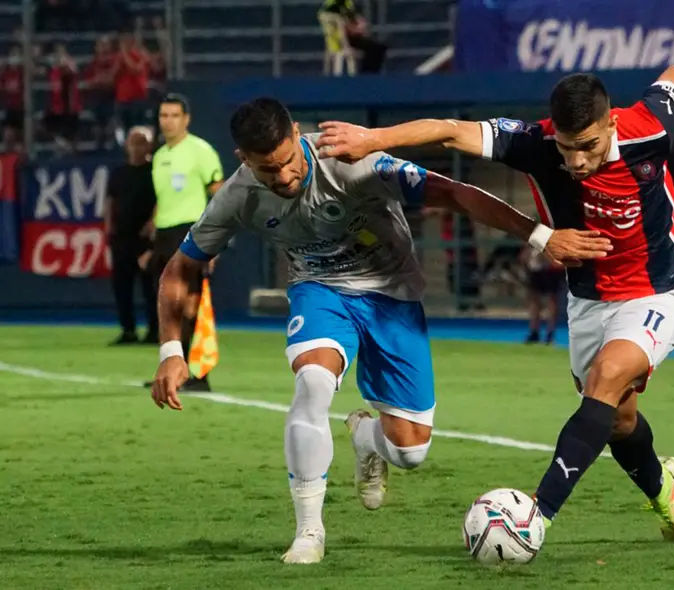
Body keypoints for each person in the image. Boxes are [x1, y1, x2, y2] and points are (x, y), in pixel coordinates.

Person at [149, 97, 612, 564]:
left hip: (392, 294)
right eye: (269, 171)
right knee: (312, 383)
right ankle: (309, 532)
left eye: (289, 161)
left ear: (296, 135)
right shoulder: (237, 194)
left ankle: (365, 438)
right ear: (244, 160)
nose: (285, 177)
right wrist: (171, 349)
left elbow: (452, 192)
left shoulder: (354, 163)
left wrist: (541, 236)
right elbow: (179, 268)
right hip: (319, 290)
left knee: (411, 451)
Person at [314, 64, 674, 544]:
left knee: (606, 379)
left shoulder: (646, 126)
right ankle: (661, 488)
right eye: (568, 148)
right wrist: (373, 138)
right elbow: (448, 132)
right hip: (588, 301)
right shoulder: (534, 143)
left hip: (658, 290)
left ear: (611, 124)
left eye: (588, 146)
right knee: (618, 418)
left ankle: (535, 517)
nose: (578, 161)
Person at [150, 93, 224, 392]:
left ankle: (198, 374)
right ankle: (173, 369)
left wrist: (214, 241)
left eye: (173, 115)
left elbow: (219, 194)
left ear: (186, 119)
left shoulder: (200, 151)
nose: (168, 121)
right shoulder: (159, 156)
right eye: (163, 116)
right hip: (165, 233)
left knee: (191, 304)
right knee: (168, 304)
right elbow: (163, 200)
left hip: (192, 233)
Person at [105, 126, 158, 345]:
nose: (137, 147)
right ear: (127, 145)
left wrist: (153, 222)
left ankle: (154, 331)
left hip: (146, 239)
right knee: (121, 286)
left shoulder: (156, 171)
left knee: (150, 287)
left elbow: (163, 198)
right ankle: (128, 330)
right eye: (133, 142)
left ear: (150, 145)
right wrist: (108, 226)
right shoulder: (118, 173)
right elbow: (110, 200)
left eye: (142, 142)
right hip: (122, 236)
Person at [523, 244, 563, 344]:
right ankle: (534, 331)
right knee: (535, 299)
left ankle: (549, 332)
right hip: (537, 266)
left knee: (551, 300)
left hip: (551, 265)